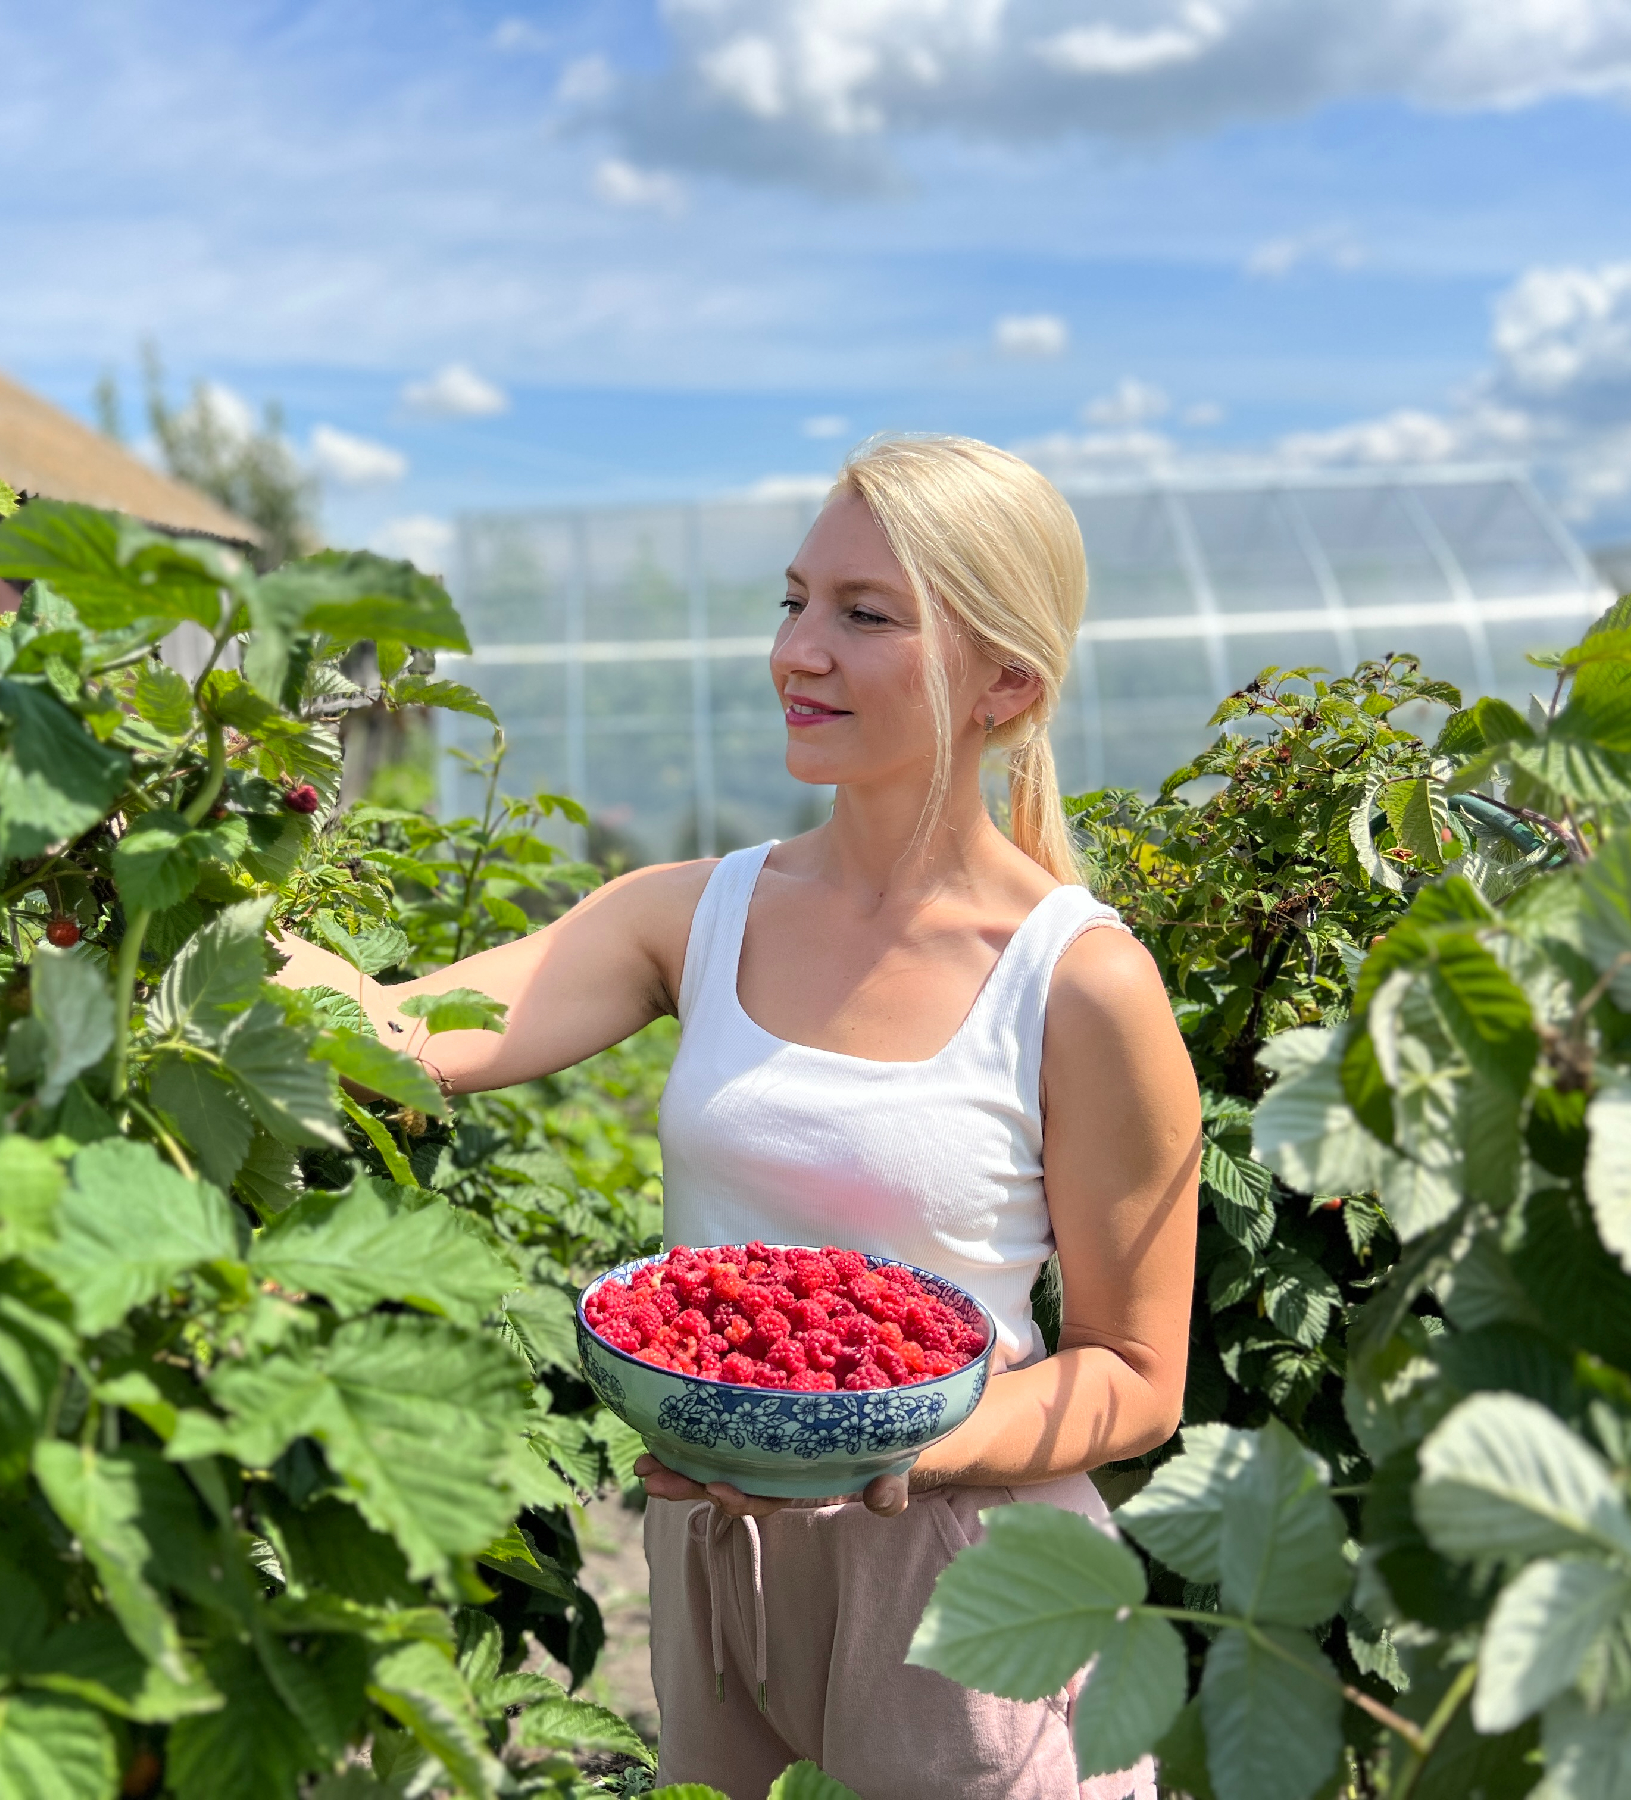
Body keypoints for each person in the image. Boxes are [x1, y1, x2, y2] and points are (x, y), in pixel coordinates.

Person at [272, 434, 1199, 1800]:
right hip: (719, 1566)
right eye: (794, 601)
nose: (797, 652)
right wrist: (163, 853)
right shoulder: (689, 914)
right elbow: (395, 1038)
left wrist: (887, 1441)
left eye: (864, 614)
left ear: (1006, 679)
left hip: (965, 1583)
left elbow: (1135, 1374)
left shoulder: (1079, 979)